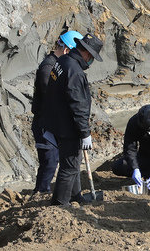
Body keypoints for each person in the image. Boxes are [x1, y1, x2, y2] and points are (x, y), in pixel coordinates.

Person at [44, 33, 104, 206]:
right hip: (68, 127)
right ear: (86, 53)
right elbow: (77, 105)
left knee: (73, 163)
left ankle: (75, 196)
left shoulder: (62, 62)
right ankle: (60, 204)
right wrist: (85, 133)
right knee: (69, 167)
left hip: (59, 122)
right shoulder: (75, 72)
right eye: (91, 57)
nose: (91, 61)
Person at [31, 30, 83, 193]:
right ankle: (41, 192)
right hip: (44, 123)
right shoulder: (48, 67)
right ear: (67, 49)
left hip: (54, 121)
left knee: (60, 159)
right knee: (49, 161)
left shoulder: (58, 64)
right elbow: (50, 96)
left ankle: (56, 191)